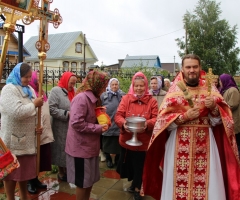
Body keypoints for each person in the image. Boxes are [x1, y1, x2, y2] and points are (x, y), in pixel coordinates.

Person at [142, 54, 240, 200]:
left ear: (200, 68)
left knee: (209, 184)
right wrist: (183, 117)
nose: (192, 70)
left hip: (206, 145)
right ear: (182, 69)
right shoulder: (174, 91)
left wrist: (214, 107)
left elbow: (219, 121)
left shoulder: (210, 89)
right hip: (178, 144)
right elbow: (162, 123)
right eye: (188, 67)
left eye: (195, 66)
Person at [0, 63, 43, 200]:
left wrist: (38, 125)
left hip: (28, 141)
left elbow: (36, 111)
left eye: (30, 77)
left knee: (23, 173)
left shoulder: (29, 88)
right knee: (11, 174)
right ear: (18, 75)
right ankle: (10, 198)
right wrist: (34, 104)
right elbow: (16, 112)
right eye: (26, 77)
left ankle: (24, 196)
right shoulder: (9, 89)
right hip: (13, 141)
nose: (29, 80)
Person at [65, 70, 110, 200]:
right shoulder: (81, 98)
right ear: (96, 84)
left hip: (89, 147)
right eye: (104, 85)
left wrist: (103, 119)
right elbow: (76, 123)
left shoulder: (94, 98)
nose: (105, 88)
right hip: (80, 149)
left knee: (89, 180)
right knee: (82, 182)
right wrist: (98, 128)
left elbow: (91, 118)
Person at [114, 72, 158, 200]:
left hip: (143, 142)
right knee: (130, 165)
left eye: (141, 86)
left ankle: (138, 189)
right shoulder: (126, 99)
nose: (139, 89)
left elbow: (156, 118)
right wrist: (123, 124)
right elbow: (118, 115)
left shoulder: (152, 101)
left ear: (146, 86)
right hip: (127, 140)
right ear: (133, 86)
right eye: (136, 86)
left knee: (141, 166)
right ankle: (134, 184)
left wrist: (147, 124)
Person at [27, 71, 54, 194]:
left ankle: (36, 178)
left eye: (41, 78)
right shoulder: (28, 92)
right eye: (37, 78)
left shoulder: (42, 91)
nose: (40, 81)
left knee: (40, 156)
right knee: (32, 157)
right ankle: (30, 181)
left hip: (43, 130)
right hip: (33, 131)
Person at [48, 72, 77, 182]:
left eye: (74, 83)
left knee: (69, 148)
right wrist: (66, 113)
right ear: (65, 80)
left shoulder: (73, 91)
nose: (72, 86)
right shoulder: (56, 91)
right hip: (60, 126)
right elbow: (51, 109)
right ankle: (61, 172)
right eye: (71, 83)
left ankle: (68, 169)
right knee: (60, 148)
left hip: (71, 126)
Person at [100, 78, 125, 168]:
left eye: (116, 84)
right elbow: (99, 107)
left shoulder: (122, 95)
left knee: (119, 142)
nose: (114, 86)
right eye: (112, 85)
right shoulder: (104, 95)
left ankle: (118, 159)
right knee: (107, 143)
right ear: (109, 86)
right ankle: (108, 159)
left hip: (118, 123)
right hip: (108, 122)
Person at [219, 74, 240, 153]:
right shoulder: (224, 90)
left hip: (233, 118)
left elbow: (233, 104)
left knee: (236, 141)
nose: (220, 82)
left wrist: (220, 108)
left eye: (220, 81)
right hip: (227, 118)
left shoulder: (233, 90)